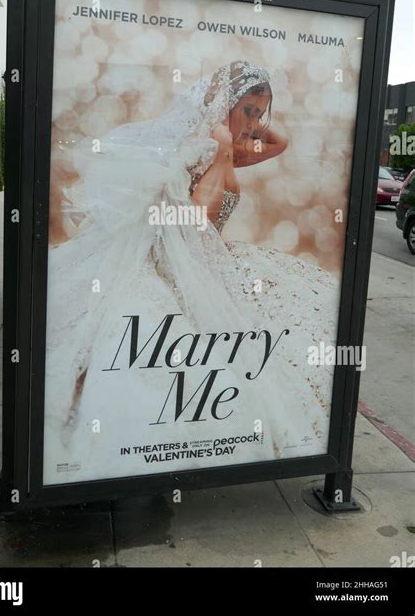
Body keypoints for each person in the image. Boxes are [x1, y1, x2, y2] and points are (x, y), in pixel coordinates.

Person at [43, 61, 339, 484]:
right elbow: (193, 219)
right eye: (250, 112)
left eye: (260, 114)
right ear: (225, 102)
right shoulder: (217, 143)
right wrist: (226, 126)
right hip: (192, 258)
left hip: (204, 252)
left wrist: (244, 114)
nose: (256, 125)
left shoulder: (222, 142)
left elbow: (280, 141)